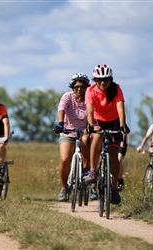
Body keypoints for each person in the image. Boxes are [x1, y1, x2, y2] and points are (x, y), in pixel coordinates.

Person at [84, 64, 130, 205]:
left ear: (110, 80)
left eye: (105, 80)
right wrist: (91, 126)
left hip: (114, 121)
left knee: (114, 154)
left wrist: (122, 125)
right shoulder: (90, 90)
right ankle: (93, 170)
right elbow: (90, 111)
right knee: (97, 136)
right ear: (95, 80)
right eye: (99, 80)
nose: (102, 83)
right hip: (98, 120)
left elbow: (120, 109)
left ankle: (114, 187)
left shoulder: (116, 89)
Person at [54, 72, 90, 202]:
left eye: (82, 86)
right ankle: (64, 188)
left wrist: (90, 128)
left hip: (85, 131)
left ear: (86, 87)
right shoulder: (67, 97)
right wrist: (60, 123)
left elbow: (93, 115)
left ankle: (87, 173)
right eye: (76, 86)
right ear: (72, 87)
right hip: (68, 131)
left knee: (86, 141)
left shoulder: (89, 99)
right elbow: (61, 109)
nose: (79, 89)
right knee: (64, 160)